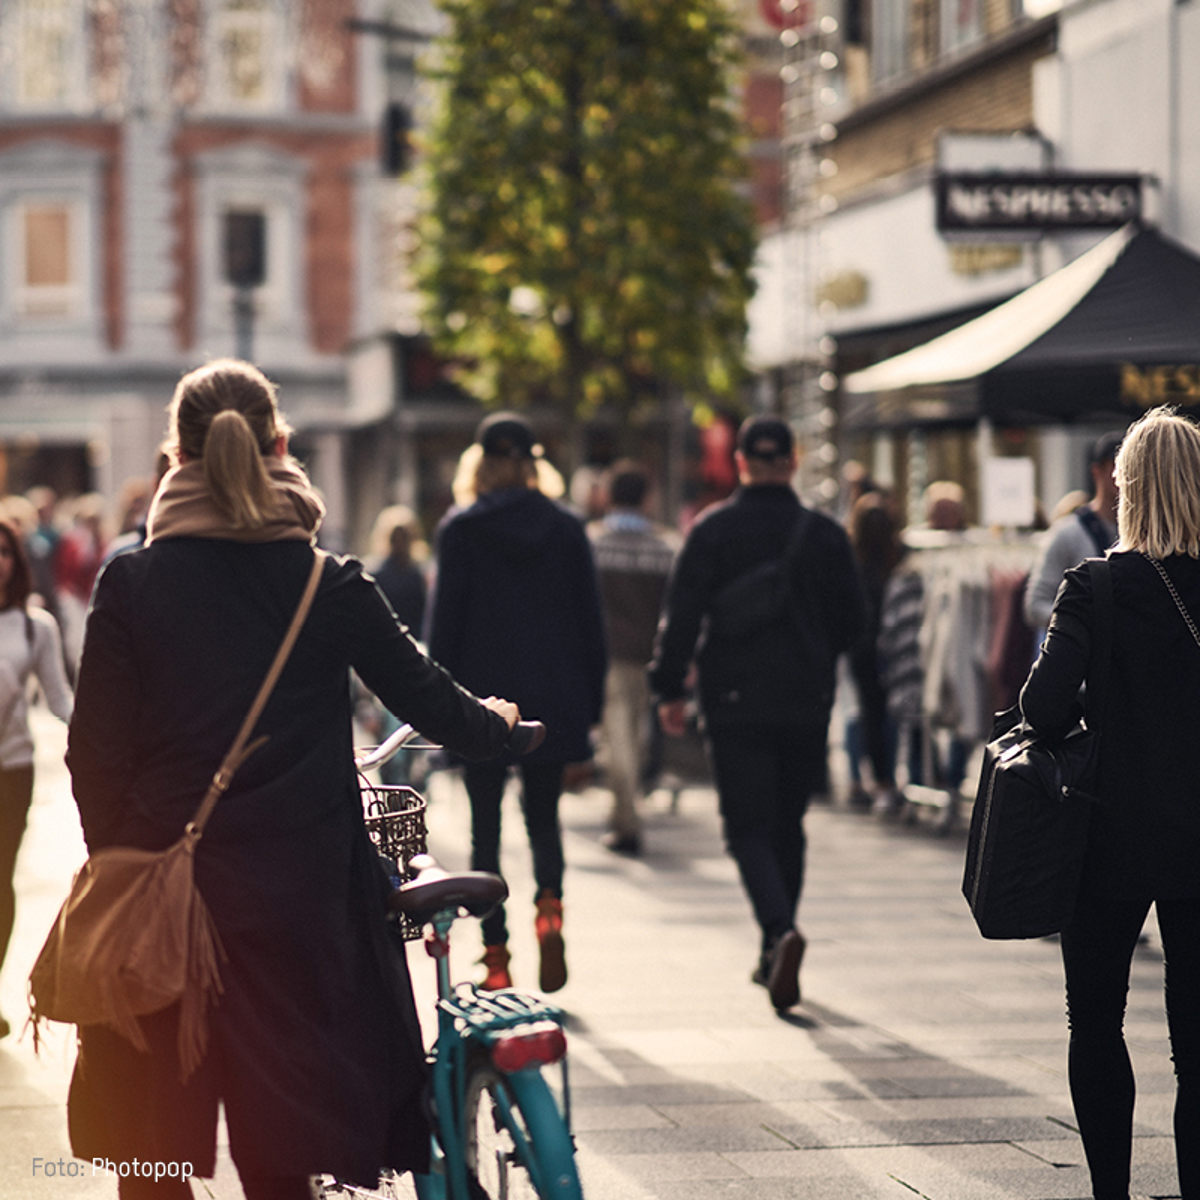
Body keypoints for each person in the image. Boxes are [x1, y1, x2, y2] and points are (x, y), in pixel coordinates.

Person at [64, 359, 525, 1200]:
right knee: (284, 1158)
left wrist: (128, 865)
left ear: (176, 455)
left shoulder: (131, 583)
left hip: (168, 899)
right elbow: (430, 702)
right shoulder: (329, 583)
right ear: (280, 446)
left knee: (151, 1155)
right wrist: (494, 724)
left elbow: (92, 757)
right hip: (301, 902)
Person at [1019, 407, 1200, 1200]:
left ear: (1122, 488)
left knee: (1095, 1020)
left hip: (1109, 833)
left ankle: (1112, 1195)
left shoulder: (1095, 585)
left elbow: (1043, 708)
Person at [648, 415, 865, 1012]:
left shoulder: (713, 530)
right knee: (786, 824)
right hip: (806, 699)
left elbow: (682, 614)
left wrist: (669, 689)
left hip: (733, 699)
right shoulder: (824, 534)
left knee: (746, 828)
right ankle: (778, 942)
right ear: (792, 461)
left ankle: (777, 933)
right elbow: (854, 624)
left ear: (741, 463)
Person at [427, 412, 607, 994]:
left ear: (478, 464)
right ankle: (549, 910)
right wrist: (592, 705)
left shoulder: (460, 531)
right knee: (544, 819)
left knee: (484, 832)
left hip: (483, 703)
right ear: (534, 463)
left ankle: (496, 955)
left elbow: (444, 630)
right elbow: (590, 626)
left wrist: (441, 708)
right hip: (553, 699)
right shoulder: (567, 528)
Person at [0, 518, 72, 1040]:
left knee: (1, 880)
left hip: (13, 768)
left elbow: (60, 698)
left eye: (4, 552)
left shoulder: (34, 626)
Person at [588, 460, 677, 855]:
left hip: (607, 655)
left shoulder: (591, 544)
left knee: (617, 737)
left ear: (608, 496)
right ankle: (627, 811)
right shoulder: (666, 548)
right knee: (636, 737)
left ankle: (625, 817)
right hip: (649, 656)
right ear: (646, 498)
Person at [1024, 430, 1123, 631]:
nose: (1122, 476)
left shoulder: (1144, 534)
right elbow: (1035, 605)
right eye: (1115, 467)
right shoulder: (1068, 533)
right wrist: (1078, 624)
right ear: (1097, 471)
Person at [843, 490, 903, 811]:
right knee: (892, 715)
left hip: (862, 648)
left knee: (867, 715)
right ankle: (885, 781)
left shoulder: (853, 559)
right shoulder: (898, 558)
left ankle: (872, 781)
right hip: (893, 647)